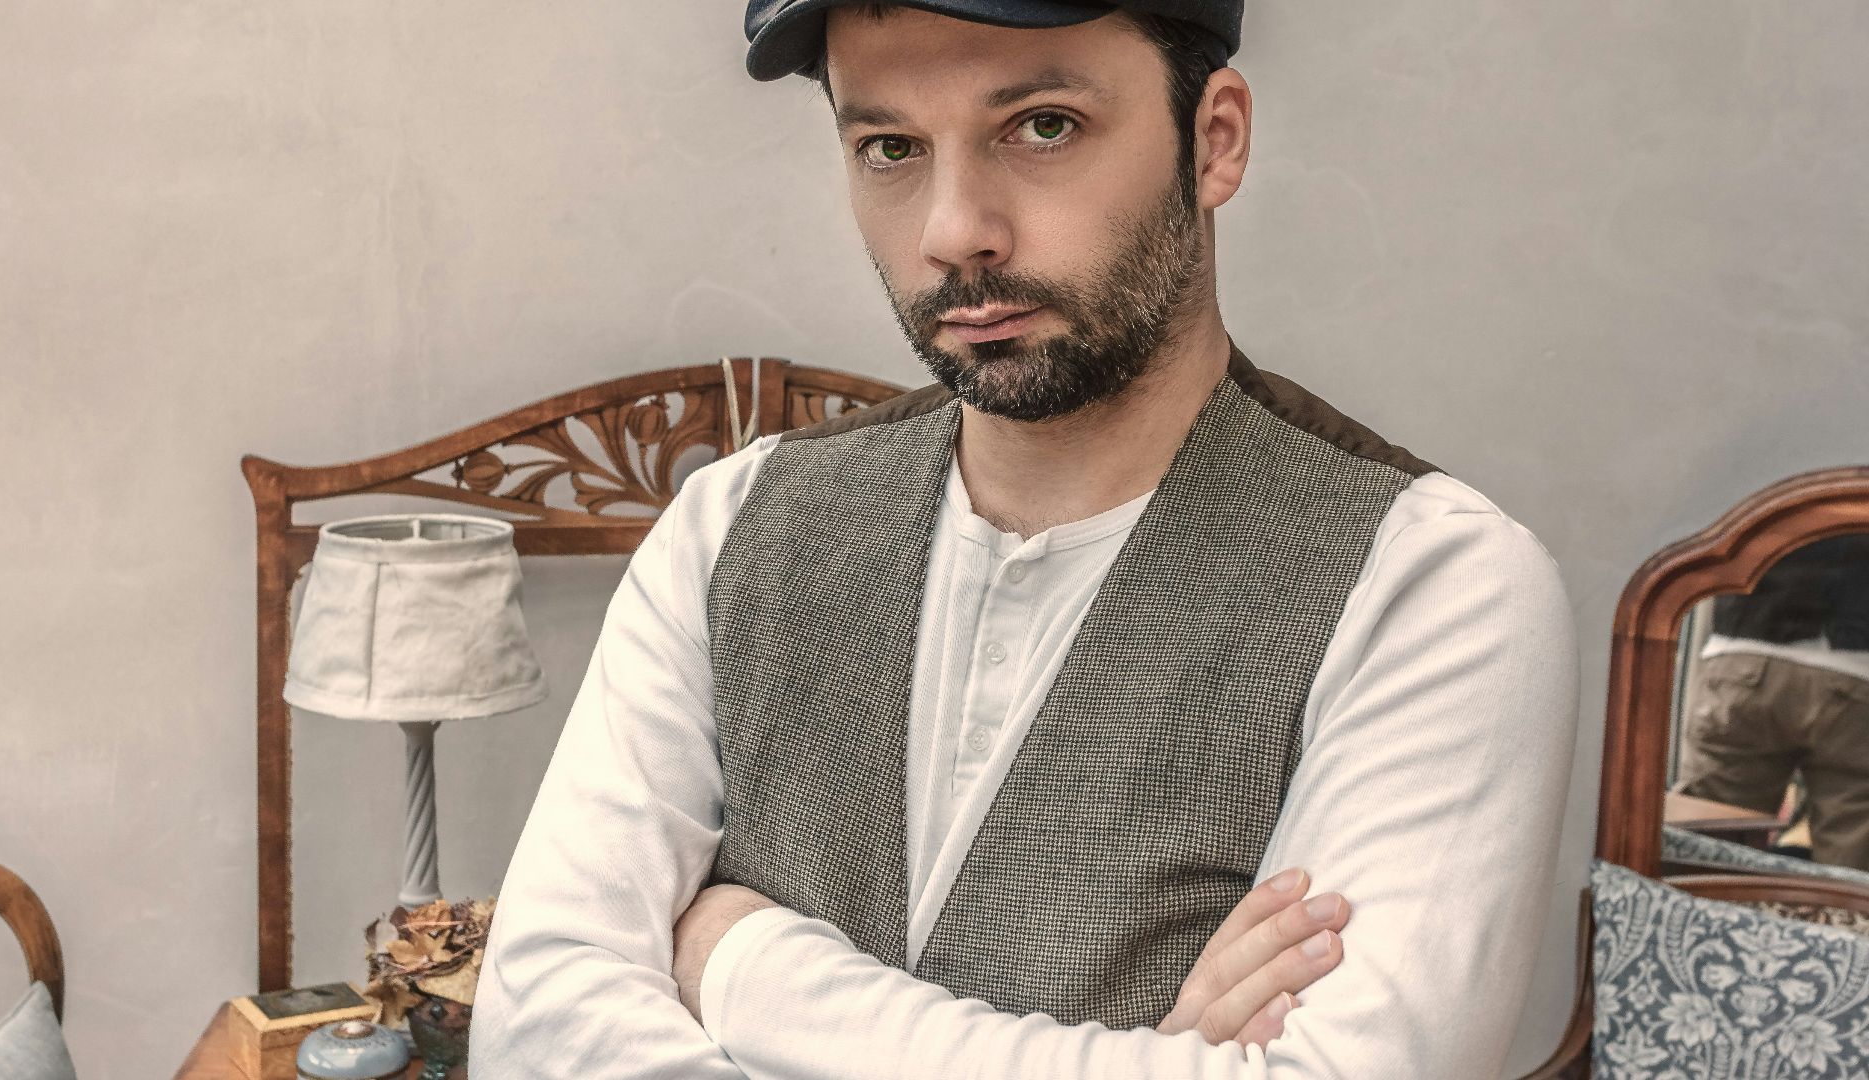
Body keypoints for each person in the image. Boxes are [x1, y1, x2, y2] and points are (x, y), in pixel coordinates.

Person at [471, 1, 1579, 1076]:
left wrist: (747, 967)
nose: (956, 232)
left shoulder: (1436, 586)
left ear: (1215, 140)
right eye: (892, 146)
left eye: (1042, 126)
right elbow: (533, 1035)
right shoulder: (731, 526)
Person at [1675, 533, 1869, 869]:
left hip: (1749, 644)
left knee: (1709, 846)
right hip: (1858, 667)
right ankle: (1839, 919)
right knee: (1852, 865)